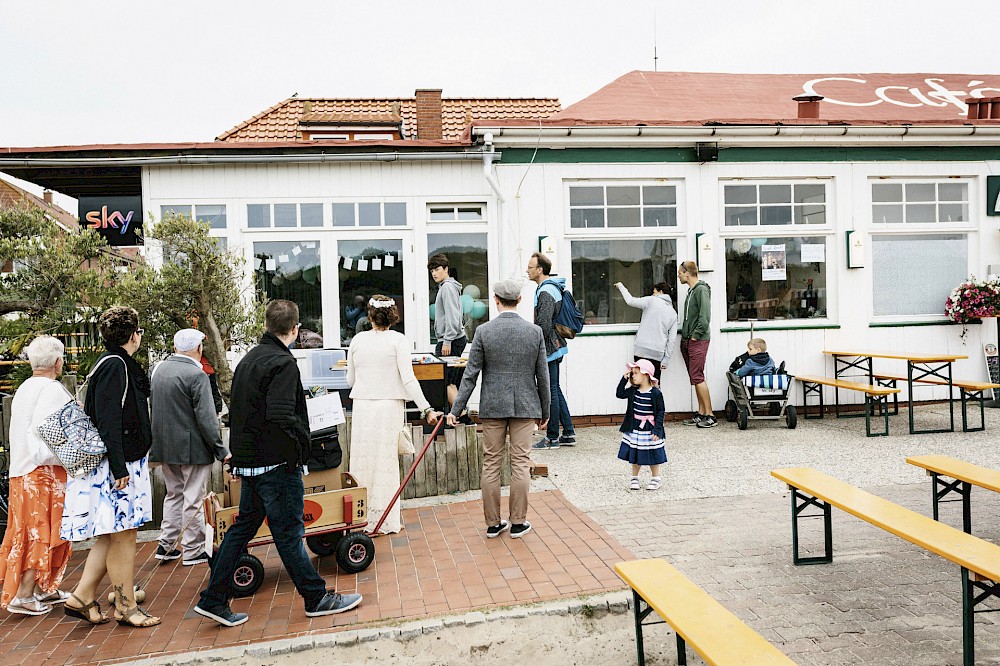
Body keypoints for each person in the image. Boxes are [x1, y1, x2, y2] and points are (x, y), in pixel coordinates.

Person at [196, 300, 361, 627]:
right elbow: (282, 414)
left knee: (243, 528)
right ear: (296, 329)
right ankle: (316, 598)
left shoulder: (249, 360)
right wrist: (303, 444)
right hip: (276, 464)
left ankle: (213, 598)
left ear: (268, 325)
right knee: (288, 533)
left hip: (252, 463)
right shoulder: (282, 364)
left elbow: (243, 412)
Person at [62, 306, 160, 628]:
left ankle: (82, 595)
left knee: (111, 534)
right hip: (118, 466)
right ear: (133, 335)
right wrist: (120, 468)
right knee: (124, 534)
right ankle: (125, 605)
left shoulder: (112, 364)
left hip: (119, 462)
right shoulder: (116, 366)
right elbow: (109, 421)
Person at [446, 278, 549, 539]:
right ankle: (518, 522)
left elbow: (470, 376)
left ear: (496, 301)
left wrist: (456, 410)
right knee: (521, 464)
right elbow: (543, 376)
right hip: (526, 406)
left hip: (492, 406)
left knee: (491, 464)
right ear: (520, 301)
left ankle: (493, 524)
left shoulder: (483, 332)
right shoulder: (534, 332)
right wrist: (546, 411)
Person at [347, 295, 441, 535]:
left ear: (369, 316)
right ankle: (385, 520)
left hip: (363, 406)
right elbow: (408, 378)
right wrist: (426, 408)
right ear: (393, 316)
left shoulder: (357, 340)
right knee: (385, 462)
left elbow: (350, 380)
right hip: (388, 406)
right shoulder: (398, 341)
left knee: (362, 460)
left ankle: (360, 519)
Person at [0, 336, 72, 616]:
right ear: (57, 362)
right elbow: (52, 434)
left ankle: (41, 588)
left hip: (23, 470)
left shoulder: (25, 388)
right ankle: (26, 593)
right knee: (41, 532)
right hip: (43, 473)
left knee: (29, 531)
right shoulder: (52, 389)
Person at [149, 328, 230, 566]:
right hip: (192, 447)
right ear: (198, 349)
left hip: (164, 445)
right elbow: (207, 419)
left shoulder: (159, 371)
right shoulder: (197, 375)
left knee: (173, 494)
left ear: (175, 348)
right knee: (194, 497)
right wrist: (221, 451)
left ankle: (167, 543)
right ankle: (193, 548)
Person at [526, 252, 575, 449]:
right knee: (555, 389)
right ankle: (568, 433)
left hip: (549, 347)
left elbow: (543, 325)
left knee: (550, 391)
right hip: (556, 345)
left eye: (530, 267)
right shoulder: (552, 288)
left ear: (540, 270)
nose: (527, 271)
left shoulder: (545, 291)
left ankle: (552, 437)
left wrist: (535, 347)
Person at [616, 360, 666, 491]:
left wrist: (657, 430)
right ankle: (634, 478)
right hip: (635, 427)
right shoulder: (633, 391)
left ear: (646, 375)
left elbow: (661, 412)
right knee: (635, 453)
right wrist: (624, 379)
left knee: (653, 453)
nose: (633, 375)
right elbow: (619, 393)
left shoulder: (656, 393)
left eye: (636, 373)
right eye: (632, 373)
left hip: (650, 428)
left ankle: (656, 478)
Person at [678, 261, 717, 428]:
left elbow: (704, 316)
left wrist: (695, 336)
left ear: (688, 273)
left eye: (680, 272)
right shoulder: (691, 291)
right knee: (695, 377)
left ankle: (710, 415)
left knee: (698, 376)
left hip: (698, 340)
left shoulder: (701, 290)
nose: (678, 275)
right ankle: (701, 413)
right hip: (688, 339)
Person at [614, 281, 678, 383]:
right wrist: (666, 358)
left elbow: (630, 301)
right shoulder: (673, 313)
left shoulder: (651, 300)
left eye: (654, 292)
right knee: (654, 385)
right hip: (658, 353)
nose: (652, 294)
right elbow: (672, 339)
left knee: (639, 383)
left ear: (660, 292)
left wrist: (621, 286)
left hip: (642, 350)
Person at [428, 253, 468, 417]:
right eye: (432, 271)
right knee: (451, 382)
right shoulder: (447, 287)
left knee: (445, 382)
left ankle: (463, 415)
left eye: (437, 269)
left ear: (446, 269)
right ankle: (456, 416)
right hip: (451, 339)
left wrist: (447, 340)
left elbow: (453, 316)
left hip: (450, 340)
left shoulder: (448, 287)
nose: (434, 274)